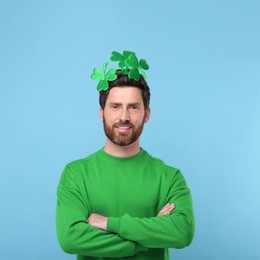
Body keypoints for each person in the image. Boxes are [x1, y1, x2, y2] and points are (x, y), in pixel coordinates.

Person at [56, 50, 195, 260]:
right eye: (115, 107)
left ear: (146, 114)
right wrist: (147, 236)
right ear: (101, 112)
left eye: (133, 107)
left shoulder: (169, 177)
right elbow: (70, 238)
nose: (124, 117)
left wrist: (109, 224)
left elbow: (182, 233)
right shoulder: (76, 174)